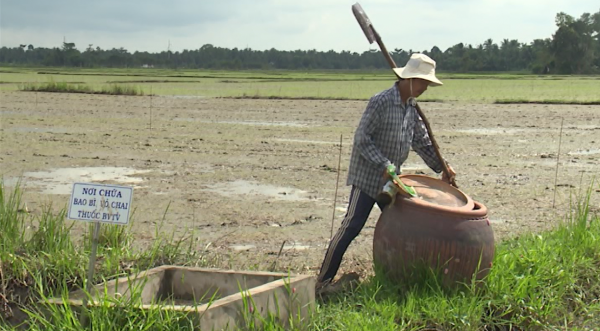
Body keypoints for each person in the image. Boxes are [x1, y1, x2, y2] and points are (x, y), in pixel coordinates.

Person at [315, 53, 456, 295]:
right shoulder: (381, 101)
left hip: (392, 181)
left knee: (404, 229)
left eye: (427, 84)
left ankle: (400, 279)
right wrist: (384, 165)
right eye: (423, 83)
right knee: (352, 226)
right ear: (410, 79)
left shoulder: (411, 108)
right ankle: (322, 281)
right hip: (369, 177)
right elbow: (361, 139)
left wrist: (442, 167)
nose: (425, 88)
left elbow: (422, 142)